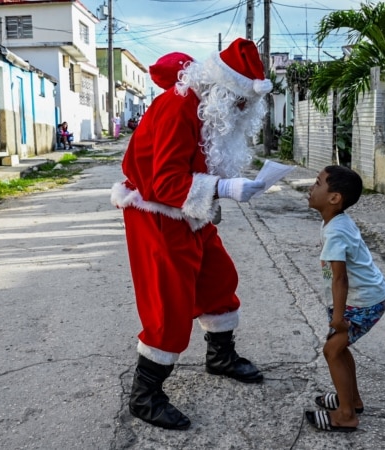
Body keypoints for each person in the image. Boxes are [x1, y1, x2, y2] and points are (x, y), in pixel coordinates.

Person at [110, 39, 272, 430]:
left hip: (189, 214)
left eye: (246, 105)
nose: (240, 110)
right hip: (157, 215)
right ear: (220, 87)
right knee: (168, 304)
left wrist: (224, 186)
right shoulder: (179, 106)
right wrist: (225, 188)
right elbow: (164, 182)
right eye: (238, 101)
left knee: (218, 279)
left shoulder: (205, 109)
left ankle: (220, 357)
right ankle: (144, 396)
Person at [305, 165, 385, 433]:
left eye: (318, 183)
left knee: (332, 350)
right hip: (364, 297)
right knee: (339, 348)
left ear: (334, 198)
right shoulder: (334, 221)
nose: (311, 187)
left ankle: (346, 415)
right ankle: (351, 399)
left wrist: (339, 318)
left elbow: (340, 278)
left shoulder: (335, 231)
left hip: (363, 301)